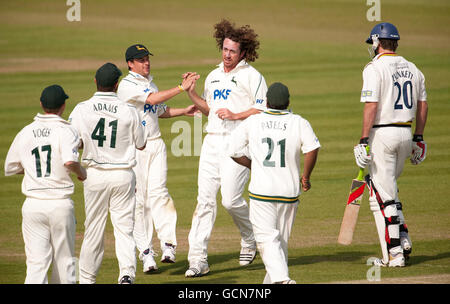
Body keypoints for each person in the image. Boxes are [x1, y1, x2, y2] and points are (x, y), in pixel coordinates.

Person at [184, 19, 268, 277]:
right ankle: (198, 260)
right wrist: (191, 94)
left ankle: (249, 235)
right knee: (205, 201)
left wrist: (236, 114)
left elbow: (263, 107)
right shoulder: (213, 75)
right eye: (225, 49)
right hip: (211, 141)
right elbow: (210, 109)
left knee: (231, 201)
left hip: (239, 143)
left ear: (243, 53)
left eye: (232, 51)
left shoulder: (252, 76)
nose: (227, 55)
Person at [117, 44, 199, 273]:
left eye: (147, 58)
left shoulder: (149, 83)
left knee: (159, 192)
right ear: (130, 64)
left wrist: (184, 111)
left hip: (156, 144)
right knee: (140, 201)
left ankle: (168, 245)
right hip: (136, 149)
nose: (146, 62)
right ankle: (145, 254)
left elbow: (158, 109)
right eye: (141, 60)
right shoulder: (126, 86)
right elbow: (152, 100)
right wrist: (181, 88)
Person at [228, 82, 320, 284]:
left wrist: (254, 165)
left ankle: (283, 281)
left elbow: (233, 150)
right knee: (280, 245)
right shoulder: (299, 121)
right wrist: (306, 176)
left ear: (267, 101)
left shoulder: (253, 121)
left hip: (262, 193)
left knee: (266, 241)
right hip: (289, 193)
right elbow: (312, 148)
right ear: (288, 102)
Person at [354, 22, 428, 267]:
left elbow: (371, 105)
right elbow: (423, 104)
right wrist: (419, 137)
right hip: (405, 134)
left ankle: (394, 255)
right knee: (390, 191)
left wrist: (364, 140)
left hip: (382, 136)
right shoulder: (413, 67)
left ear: (376, 43)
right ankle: (403, 239)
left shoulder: (374, 69)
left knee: (381, 198)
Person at [69, 63, 146, 284]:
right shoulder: (128, 110)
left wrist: (87, 143)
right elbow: (141, 144)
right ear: (116, 85)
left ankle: (86, 279)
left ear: (95, 82)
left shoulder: (81, 108)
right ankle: (126, 275)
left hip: (94, 175)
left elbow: (73, 143)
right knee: (124, 229)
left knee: (93, 229)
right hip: (123, 174)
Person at [4, 85, 86, 284]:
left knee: (36, 264)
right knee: (65, 262)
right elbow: (69, 161)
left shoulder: (26, 131)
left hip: (32, 205)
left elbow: (11, 167)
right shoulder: (67, 130)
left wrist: (32, 169)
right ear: (63, 105)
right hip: (59, 203)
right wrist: (82, 172)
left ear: (41, 104)